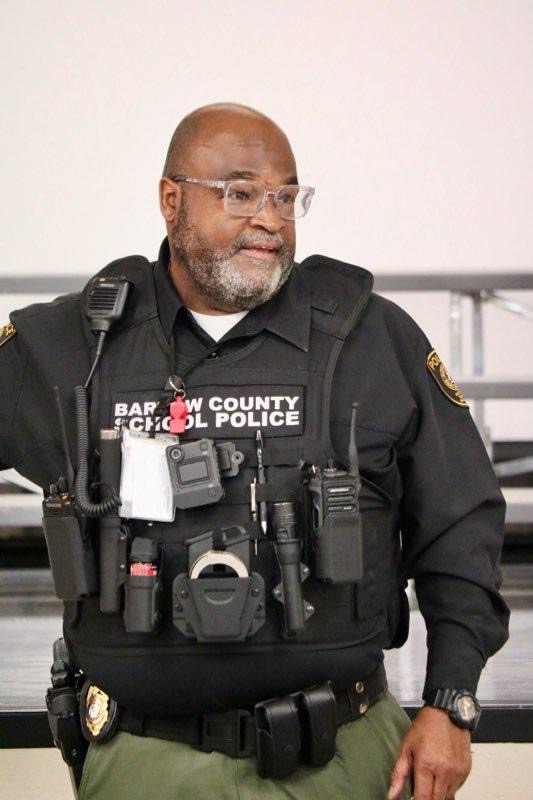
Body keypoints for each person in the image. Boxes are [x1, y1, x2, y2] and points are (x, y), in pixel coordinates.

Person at [0, 103, 509, 800]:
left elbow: (461, 524)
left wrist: (451, 703)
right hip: (146, 764)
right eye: (240, 194)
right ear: (170, 200)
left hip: (346, 760)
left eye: (286, 196)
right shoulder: (73, 346)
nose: (270, 219)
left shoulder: (372, 339)